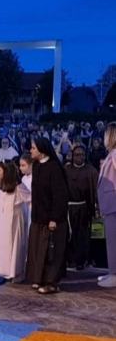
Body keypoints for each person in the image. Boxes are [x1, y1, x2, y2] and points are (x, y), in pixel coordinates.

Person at [26, 137, 69, 294]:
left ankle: (51, 282)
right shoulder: (37, 166)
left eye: (33, 148)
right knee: (38, 249)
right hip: (38, 217)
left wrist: (54, 218)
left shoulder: (54, 168)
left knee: (51, 251)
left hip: (51, 218)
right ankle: (39, 278)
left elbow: (60, 195)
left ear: (42, 150)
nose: (31, 150)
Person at [0, 161, 29, 281]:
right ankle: (4, 269)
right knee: (3, 243)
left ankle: (15, 271)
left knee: (14, 244)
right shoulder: (3, 188)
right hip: (3, 221)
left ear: (7, 173)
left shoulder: (19, 188)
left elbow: (31, 199)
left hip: (15, 222)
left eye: (0, 170)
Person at [65, 145, 98, 270]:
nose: (80, 157)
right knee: (69, 235)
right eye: (77, 154)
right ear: (72, 156)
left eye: (82, 154)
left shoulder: (91, 171)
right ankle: (70, 260)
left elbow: (95, 190)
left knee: (82, 235)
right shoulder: (66, 170)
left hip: (83, 207)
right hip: (69, 207)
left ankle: (80, 261)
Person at [97, 122, 116, 288]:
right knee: (111, 240)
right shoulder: (112, 154)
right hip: (110, 205)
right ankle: (112, 271)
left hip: (114, 205)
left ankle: (114, 274)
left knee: (113, 241)